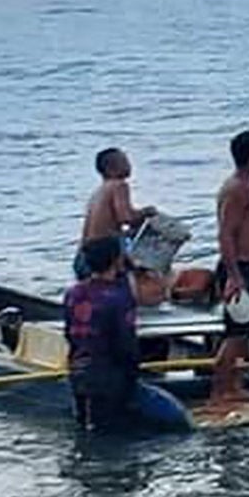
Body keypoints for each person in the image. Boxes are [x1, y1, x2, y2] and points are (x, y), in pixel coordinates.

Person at [208, 129, 249, 409]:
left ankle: (235, 385)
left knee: (245, 331)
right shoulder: (234, 189)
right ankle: (221, 390)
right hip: (239, 269)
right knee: (236, 334)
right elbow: (226, 234)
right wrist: (234, 276)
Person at [63, 236, 142, 431]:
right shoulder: (118, 297)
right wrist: (134, 372)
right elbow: (125, 340)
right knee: (111, 429)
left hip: (78, 368)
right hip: (108, 373)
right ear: (117, 260)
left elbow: (68, 332)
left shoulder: (73, 292)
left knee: (84, 424)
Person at [74, 147, 157, 281]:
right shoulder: (119, 185)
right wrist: (146, 212)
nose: (130, 165)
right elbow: (125, 217)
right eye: (125, 161)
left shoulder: (99, 191)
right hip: (102, 253)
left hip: (84, 253)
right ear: (111, 169)